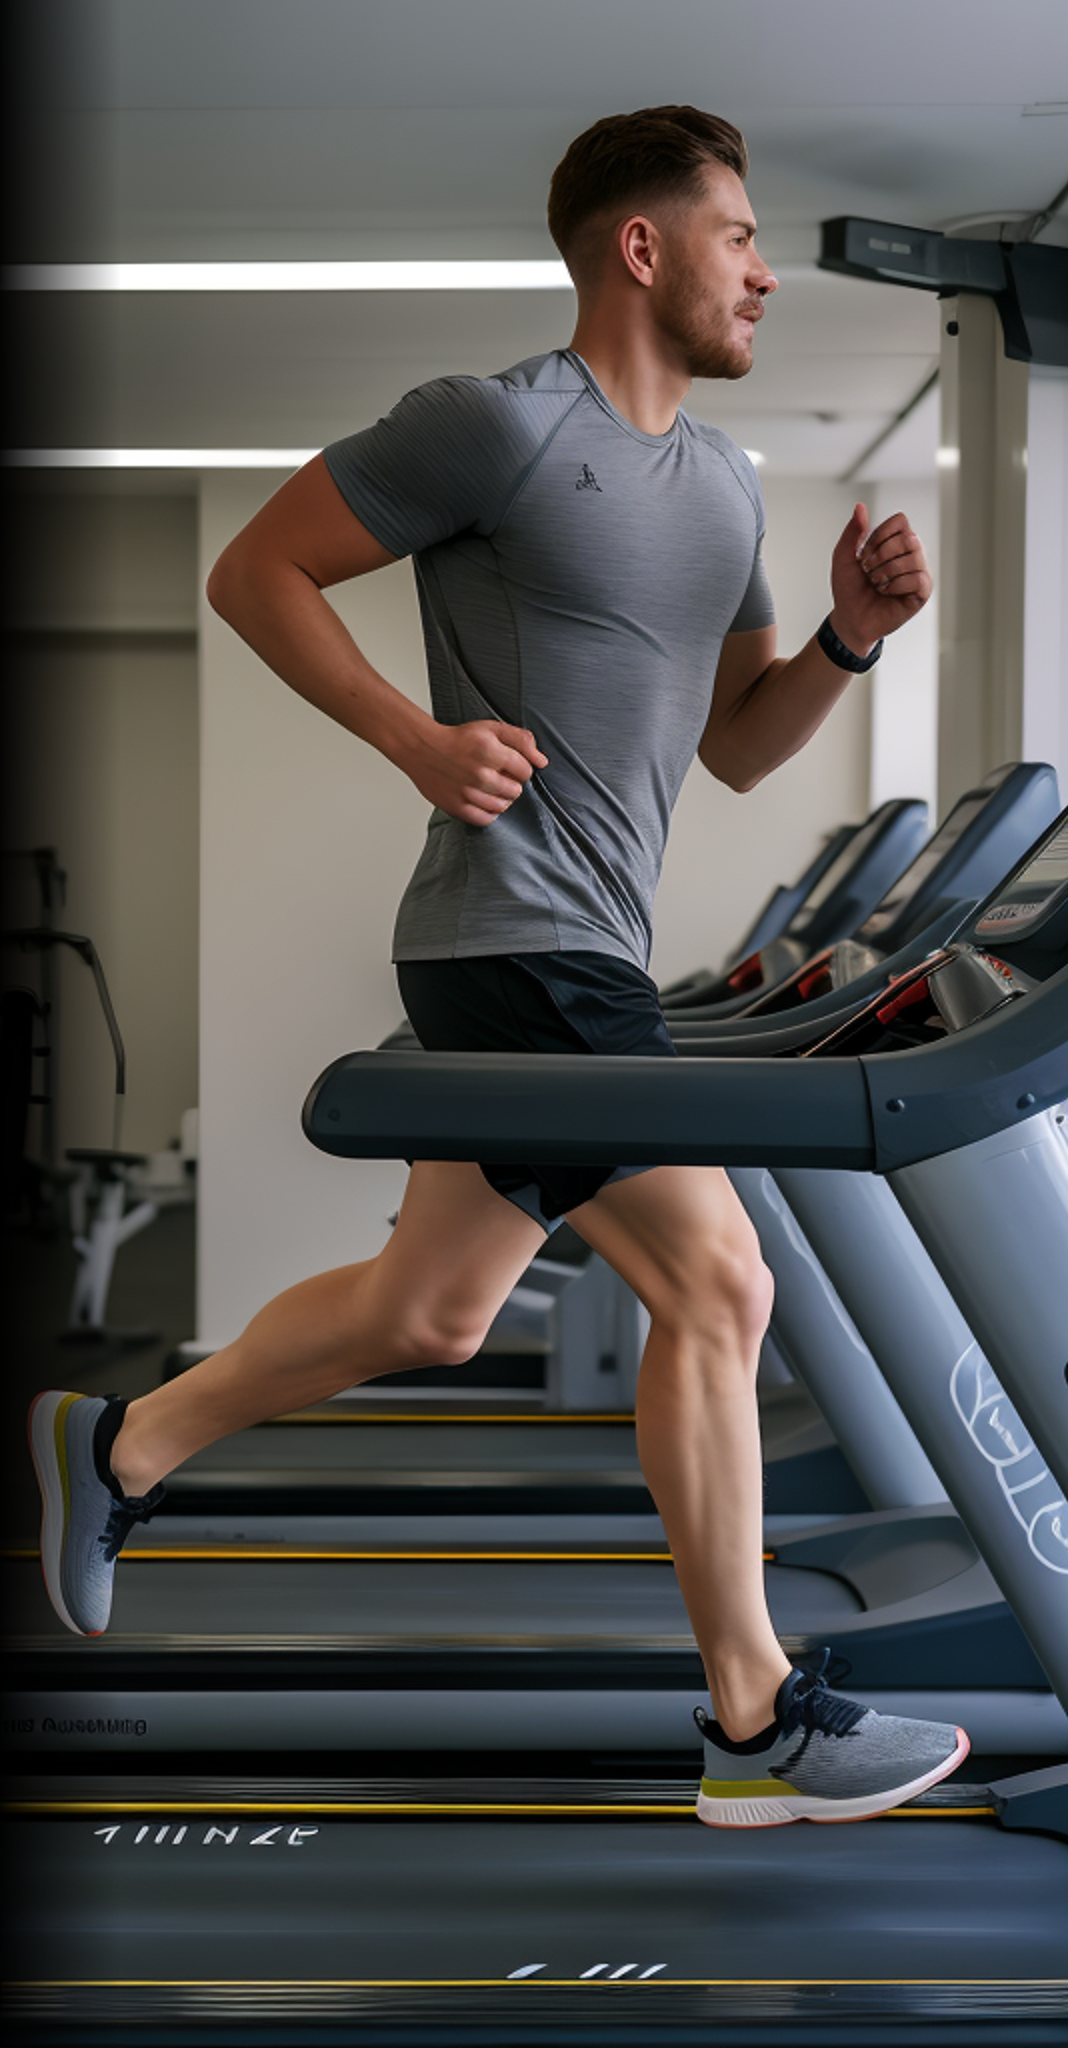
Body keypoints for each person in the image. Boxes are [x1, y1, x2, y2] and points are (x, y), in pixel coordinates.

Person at [29, 105, 967, 1828]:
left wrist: (848, 636)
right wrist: (415, 737)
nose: (765, 270)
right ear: (643, 246)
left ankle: (117, 1445)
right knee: (720, 1284)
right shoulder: (497, 426)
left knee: (432, 1313)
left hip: (582, 937)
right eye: (741, 235)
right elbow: (261, 569)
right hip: (515, 928)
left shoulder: (726, 487)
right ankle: (754, 1726)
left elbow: (745, 748)